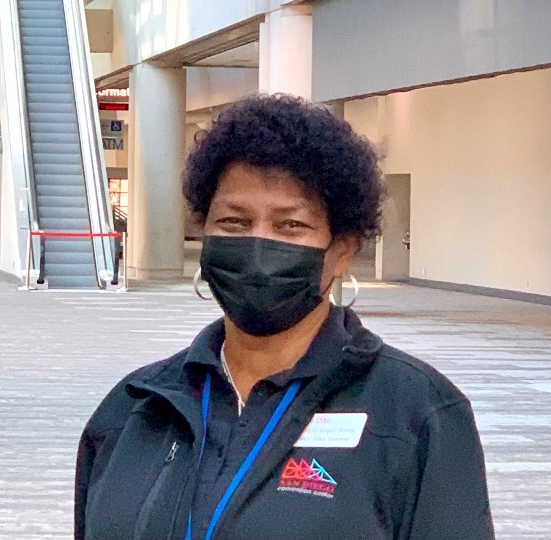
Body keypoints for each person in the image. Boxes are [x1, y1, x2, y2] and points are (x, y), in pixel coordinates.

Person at [75, 94, 494, 540]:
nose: (258, 246)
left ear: (343, 250)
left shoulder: (416, 412)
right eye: (234, 222)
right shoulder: (138, 405)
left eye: (290, 225)